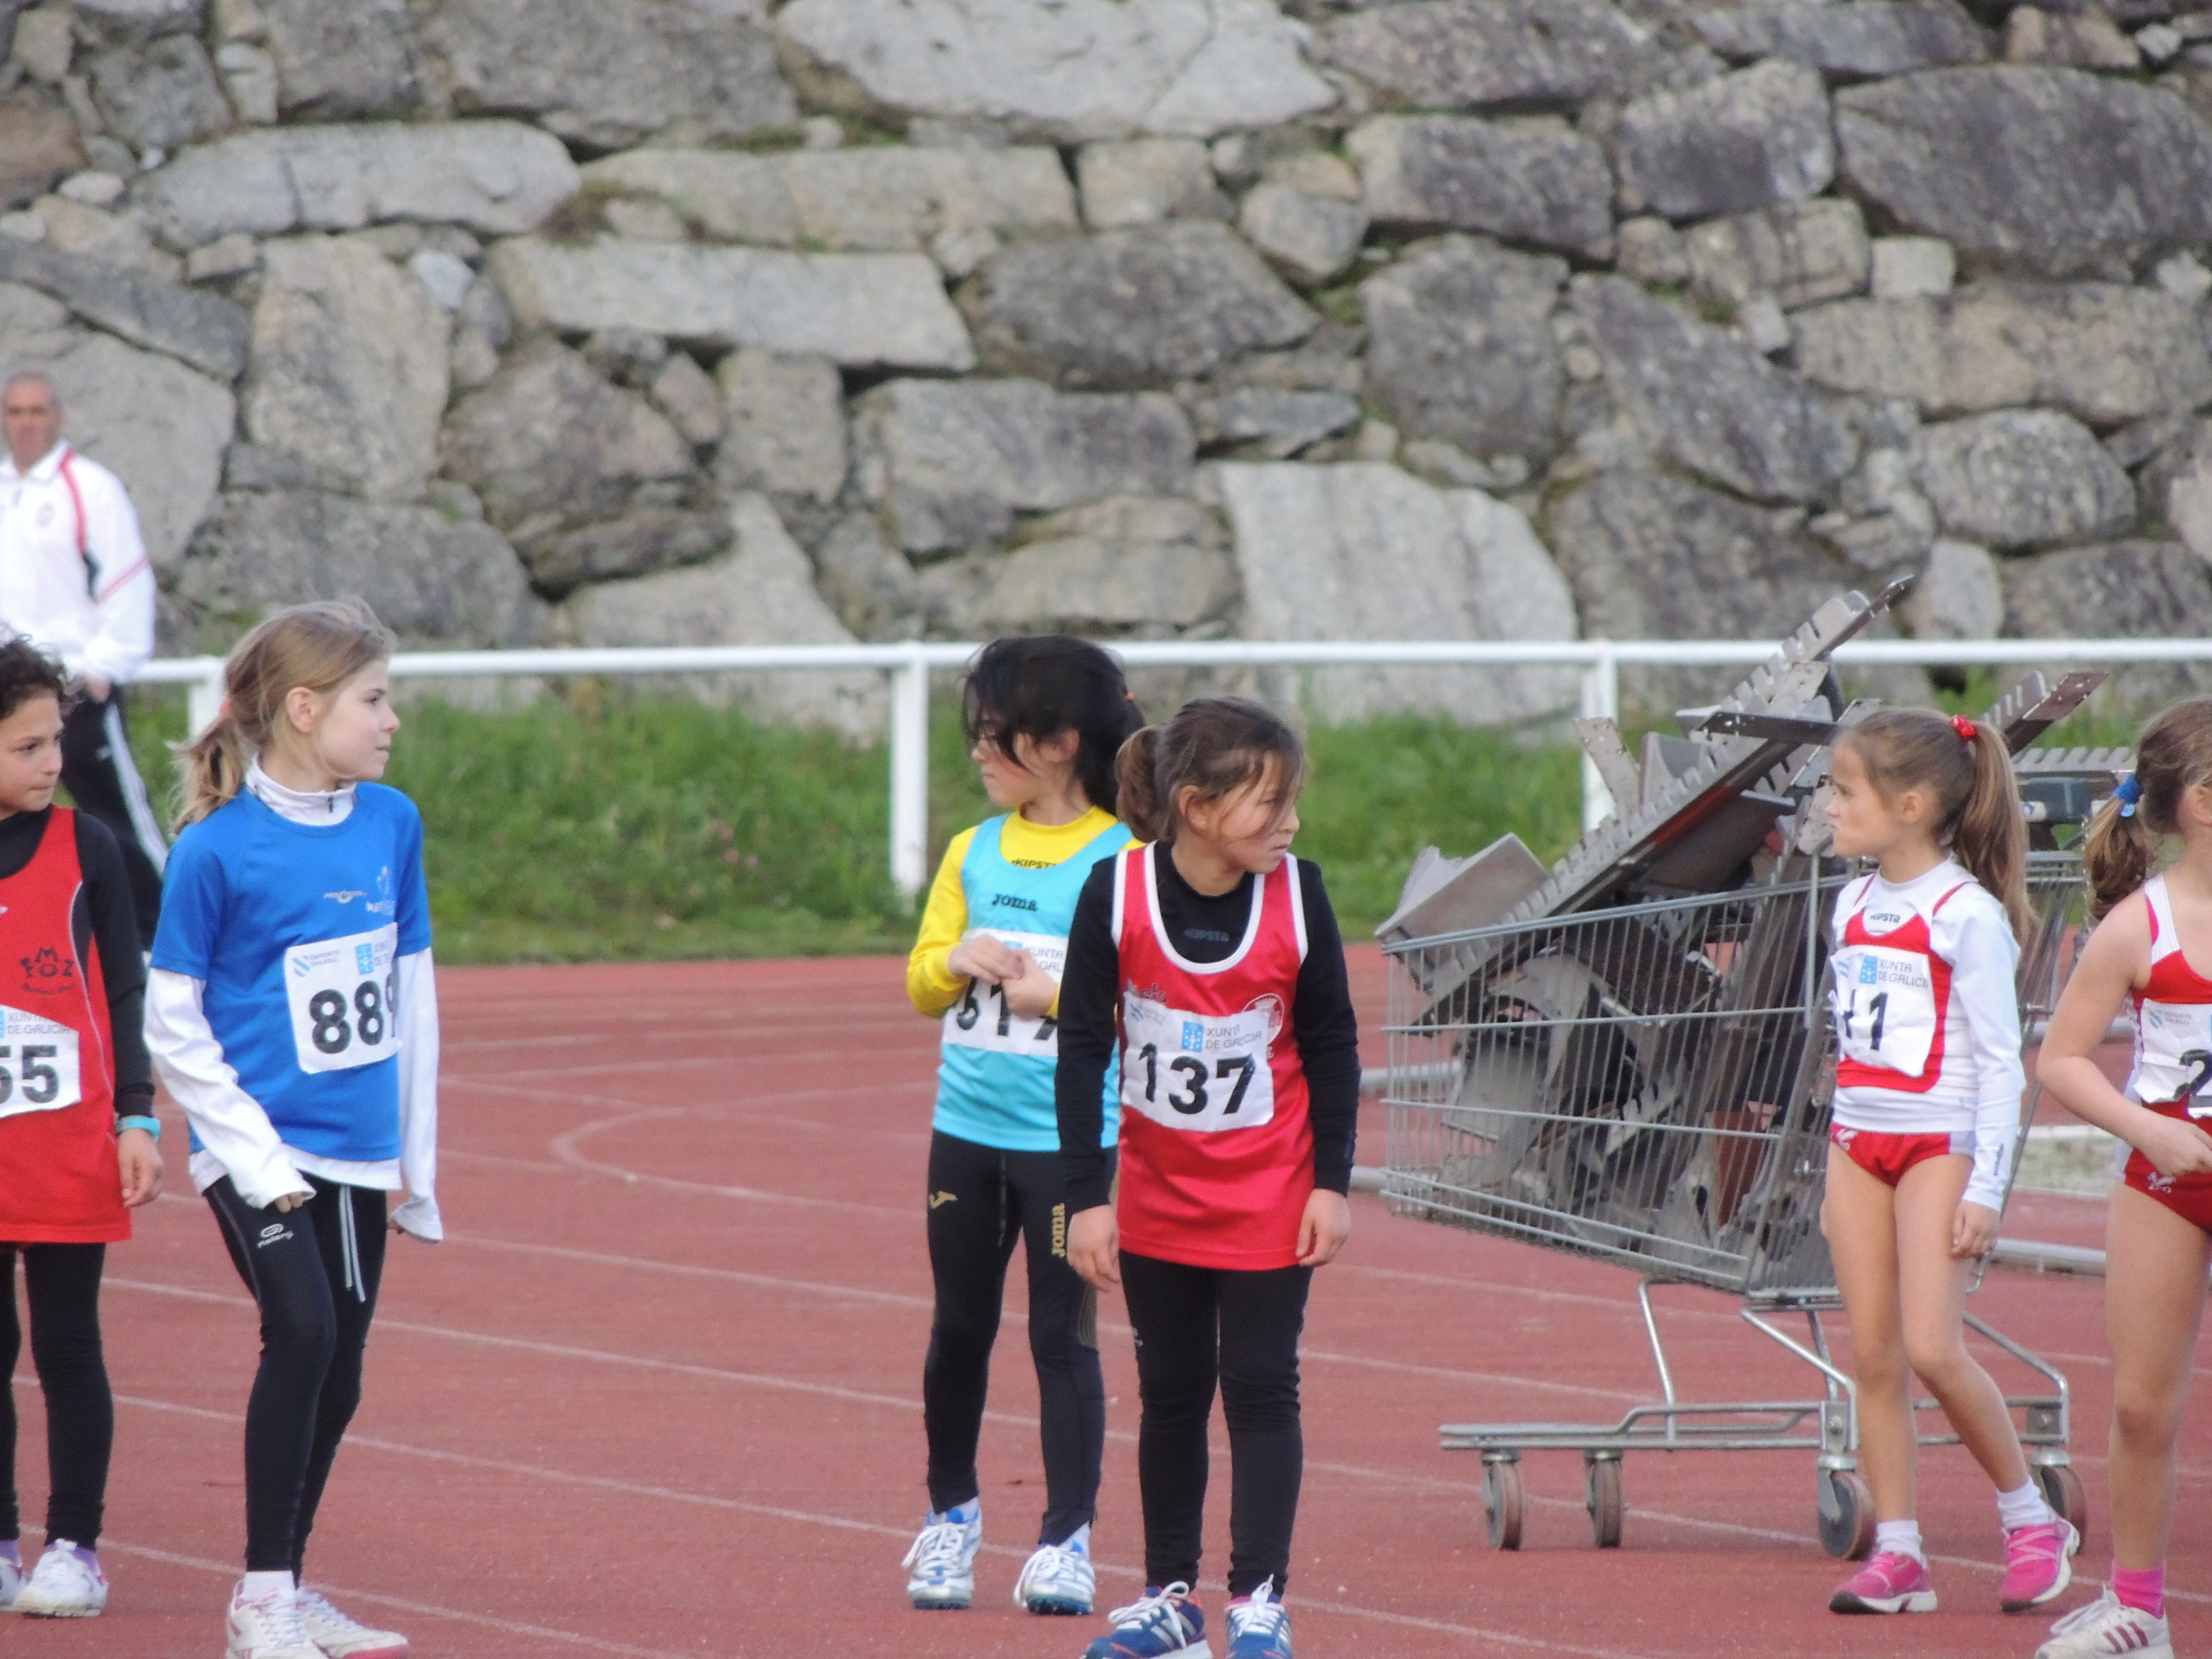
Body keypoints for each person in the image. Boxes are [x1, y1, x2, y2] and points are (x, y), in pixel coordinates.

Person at [144, 599, 440, 1659]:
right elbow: (171, 1020)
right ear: (305, 709)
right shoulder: (216, 851)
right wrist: (254, 1154)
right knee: (304, 1332)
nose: (391, 720)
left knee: (342, 1367)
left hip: (357, 1148)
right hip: (255, 1147)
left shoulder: (391, 823)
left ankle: (290, 1584)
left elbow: (412, 993)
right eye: (375, 700)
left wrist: (417, 1162)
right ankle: (261, 1599)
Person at [1057, 697, 1360, 1659]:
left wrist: (1331, 1183)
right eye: (1270, 805)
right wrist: (1086, 1199)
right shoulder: (1114, 892)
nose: (1291, 823)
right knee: (1170, 1397)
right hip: (1156, 1199)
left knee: (1261, 1389)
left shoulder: (1299, 896)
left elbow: (1331, 1043)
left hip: (1270, 1198)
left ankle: (1259, 1600)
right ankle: (1170, 1600)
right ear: (1194, 806)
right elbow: (1079, 1049)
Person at [900, 636, 1144, 1617]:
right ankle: (949, 1517)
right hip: (964, 1134)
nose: (977, 752)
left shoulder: (1124, 860)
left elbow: (1148, 1004)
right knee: (959, 1327)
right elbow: (921, 982)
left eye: (994, 735)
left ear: (1058, 743)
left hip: (1067, 1147)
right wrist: (952, 960)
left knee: (1060, 1337)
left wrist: (1059, 997)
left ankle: (1065, 1542)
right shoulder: (972, 849)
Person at [1817, 708, 2073, 1618]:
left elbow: (2003, 1064)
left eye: (1845, 792)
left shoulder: (1965, 914)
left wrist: (1986, 1188)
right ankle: (1899, 1553)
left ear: (1911, 806)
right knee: (1873, 1354)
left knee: (1931, 1347)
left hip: (1939, 1146)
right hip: (1857, 1143)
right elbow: (1851, 1040)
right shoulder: (1849, 904)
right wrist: (1835, 1157)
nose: (1829, 807)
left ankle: (2030, 1521)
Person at [2030, 698, 2212, 1659]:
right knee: (2143, 1406)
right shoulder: (2138, 926)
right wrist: (2150, 1130)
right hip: (2166, 1180)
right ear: (2204, 803)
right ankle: (2138, 1609)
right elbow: (2060, 1059)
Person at [0, 636, 162, 1618]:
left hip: (66, 1148)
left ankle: (74, 1545)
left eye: (55, 741)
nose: (52, 762)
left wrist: (137, 1114)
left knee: (67, 1345)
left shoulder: (86, 848)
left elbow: (127, 992)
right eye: (27, 747)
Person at [0, 371, 167, 939]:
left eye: (37, 411)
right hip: (9, 689)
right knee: (15, 816)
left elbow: (126, 580)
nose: (27, 423)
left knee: (115, 815)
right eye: (16, 412)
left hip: (74, 686)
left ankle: (160, 934)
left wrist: (102, 667)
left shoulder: (91, 488)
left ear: (59, 417)